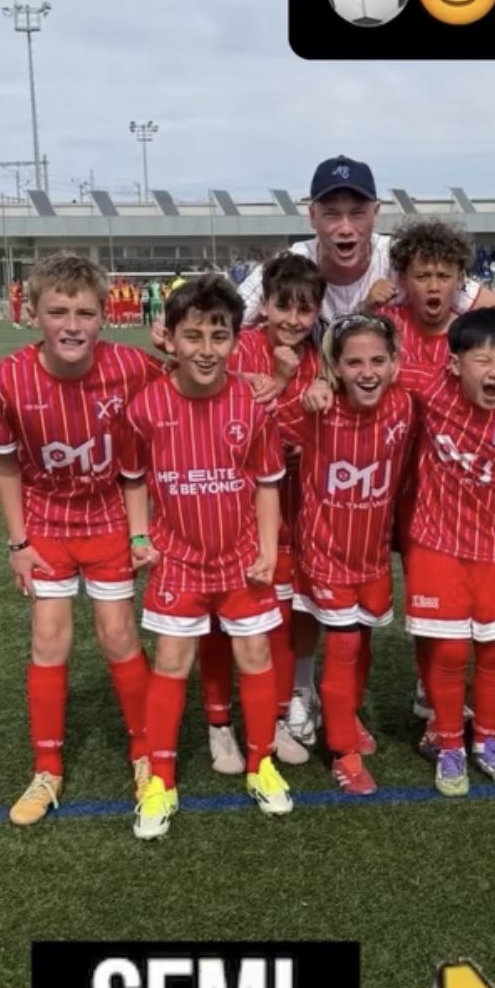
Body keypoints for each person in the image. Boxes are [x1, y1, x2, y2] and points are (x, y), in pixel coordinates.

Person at [0, 254, 161, 826]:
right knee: (48, 638)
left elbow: (190, 378)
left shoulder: (131, 366)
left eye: (85, 313)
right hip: (46, 524)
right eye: (58, 311)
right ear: (33, 313)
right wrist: (18, 544)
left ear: (104, 316)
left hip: (108, 518)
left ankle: (146, 756)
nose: (72, 325)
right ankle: (47, 769)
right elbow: (4, 464)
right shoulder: (6, 379)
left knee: (117, 634)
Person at [121, 274, 291, 840]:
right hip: (177, 560)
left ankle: (261, 764)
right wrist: (139, 538)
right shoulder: (147, 406)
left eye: (219, 336)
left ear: (236, 340)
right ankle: (161, 781)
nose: (206, 349)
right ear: (168, 338)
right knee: (172, 662)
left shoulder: (252, 403)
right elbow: (133, 476)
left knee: (255, 653)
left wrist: (267, 551)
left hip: (241, 558)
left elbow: (267, 483)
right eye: (192, 336)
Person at [403, 309, 495, 797]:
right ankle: (449, 744)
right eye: (483, 360)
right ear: (454, 364)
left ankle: (486, 740)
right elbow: (374, 363)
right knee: (448, 650)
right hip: (436, 543)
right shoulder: (433, 387)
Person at [198, 253, 327, 773]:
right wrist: (274, 377)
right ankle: (219, 723)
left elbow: (315, 428)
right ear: (265, 304)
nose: (293, 319)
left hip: (292, 507)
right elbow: (218, 410)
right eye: (283, 306)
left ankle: (272, 718)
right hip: (229, 507)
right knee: (218, 620)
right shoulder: (239, 347)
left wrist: (301, 438)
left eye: (305, 309)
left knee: (278, 615)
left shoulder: (321, 358)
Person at [290, 314, 415, 795]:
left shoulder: (405, 403)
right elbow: (266, 417)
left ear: (394, 363)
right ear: (335, 368)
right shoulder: (316, 409)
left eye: (378, 361)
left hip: (372, 556)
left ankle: (347, 714)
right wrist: (309, 389)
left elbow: (457, 375)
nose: (367, 372)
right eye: (354, 362)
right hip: (326, 555)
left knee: (362, 642)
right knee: (342, 647)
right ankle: (342, 752)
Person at [235, 156, 495, 328]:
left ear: (376, 214)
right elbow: (225, 323)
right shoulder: (287, 267)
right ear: (312, 216)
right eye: (332, 214)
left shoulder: (403, 258)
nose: (346, 228)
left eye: (357, 213)